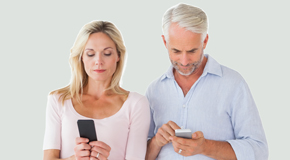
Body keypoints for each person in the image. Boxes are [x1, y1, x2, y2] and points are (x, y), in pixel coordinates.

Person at [145, 3, 268, 160]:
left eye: (192, 51)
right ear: (165, 43)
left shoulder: (233, 84)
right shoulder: (154, 90)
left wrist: (205, 147)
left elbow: (259, 151)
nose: (184, 61)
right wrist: (156, 142)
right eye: (176, 51)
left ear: (205, 41)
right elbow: (137, 155)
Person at [43, 20, 150, 160]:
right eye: (90, 54)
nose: (98, 61)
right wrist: (74, 159)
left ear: (118, 56)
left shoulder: (136, 104)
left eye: (107, 53)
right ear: (81, 57)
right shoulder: (58, 100)